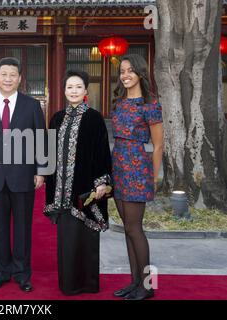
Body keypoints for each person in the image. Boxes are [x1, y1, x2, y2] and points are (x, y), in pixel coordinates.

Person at [0, 57, 46, 292]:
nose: (8, 78)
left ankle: (22, 274)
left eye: (12, 74)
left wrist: (41, 171)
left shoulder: (32, 105)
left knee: (23, 229)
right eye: (3, 74)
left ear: (19, 78)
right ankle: (1, 273)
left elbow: (41, 139)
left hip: (24, 175)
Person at [44, 70, 112, 295]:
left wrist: (102, 182)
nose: (73, 91)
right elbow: (49, 152)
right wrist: (44, 177)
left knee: (86, 237)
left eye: (78, 87)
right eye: (69, 87)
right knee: (67, 239)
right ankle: (69, 284)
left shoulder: (94, 118)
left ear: (85, 91)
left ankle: (88, 283)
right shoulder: (56, 118)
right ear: (64, 91)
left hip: (86, 189)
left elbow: (102, 152)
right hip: (61, 190)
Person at [111, 54, 163, 300]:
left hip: (136, 169)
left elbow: (159, 145)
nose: (125, 75)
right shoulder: (120, 102)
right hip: (118, 166)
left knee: (135, 229)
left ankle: (147, 286)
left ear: (140, 73)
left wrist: (152, 177)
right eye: (122, 71)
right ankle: (134, 283)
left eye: (130, 70)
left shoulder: (150, 105)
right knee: (127, 230)